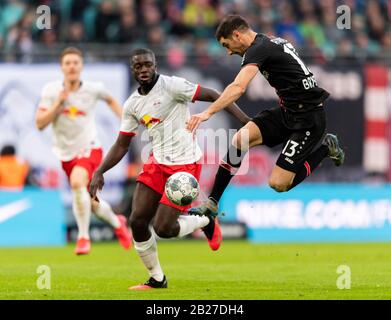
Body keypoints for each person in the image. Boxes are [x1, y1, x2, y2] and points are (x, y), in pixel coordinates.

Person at [89, 48, 250, 290]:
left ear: (155, 65)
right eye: (138, 66)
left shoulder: (173, 86)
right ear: (133, 70)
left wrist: (246, 122)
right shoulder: (133, 104)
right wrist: (100, 171)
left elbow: (215, 94)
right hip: (157, 163)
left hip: (185, 165)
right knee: (138, 221)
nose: (144, 69)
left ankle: (205, 220)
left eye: (147, 65)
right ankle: (157, 279)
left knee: (164, 229)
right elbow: (122, 143)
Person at [187, 15, 345, 216]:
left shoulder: (259, 48)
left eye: (227, 45)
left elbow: (238, 87)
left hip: (309, 119)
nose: (228, 52)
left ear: (237, 34)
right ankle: (212, 203)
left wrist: (207, 112)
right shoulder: (268, 41)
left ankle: (326, 148)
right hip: (289, 110)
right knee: (240, 139)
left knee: (278, 184)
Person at [35, 47, 132, 255]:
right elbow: (40, 124)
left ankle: (83, 238)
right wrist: (58, 105)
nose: (71, 66)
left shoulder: (93, 88)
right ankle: (118, 223)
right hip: (66, 154)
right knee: (91, 203)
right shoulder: (51, 91)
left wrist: (126, 121)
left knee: (77, 183)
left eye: (75, 63)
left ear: (81, 66)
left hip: (90, 147)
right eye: (67, 63)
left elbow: (111, 100)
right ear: (62, 67)